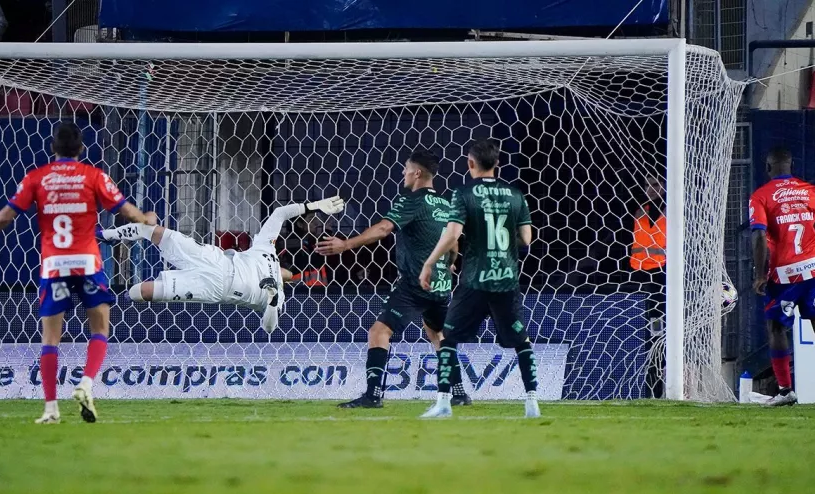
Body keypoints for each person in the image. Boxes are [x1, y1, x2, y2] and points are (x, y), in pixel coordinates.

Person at [0, 122, 153, 424]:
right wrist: (147, 219)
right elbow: (126, 211)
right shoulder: (93, 176)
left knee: (50, 338)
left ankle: (51, 409)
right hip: (88, 264)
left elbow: (6, 215)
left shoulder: (37, 178)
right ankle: (87, 383)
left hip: (54, 266)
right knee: (100, 329)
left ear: (53, 149)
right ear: (81, 149)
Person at [316, 149, 470, 408]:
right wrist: (451, 264)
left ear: (417, 173)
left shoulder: (411, 200)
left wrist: (346, 244)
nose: (403, 172)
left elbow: (384, 228)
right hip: (442, 284)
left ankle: (373, 396)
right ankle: (458, 393)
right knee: (437, 334)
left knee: (379, 332)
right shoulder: (446, 204)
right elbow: (453, 241)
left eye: (405, 168)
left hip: (415, 284)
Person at [418, 139, 539, 418]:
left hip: (474, 279)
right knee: (522, 342)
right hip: (507, 279)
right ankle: (532, 401)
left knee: (448, 339)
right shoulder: (515, 194)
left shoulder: (463, 193)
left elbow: (451, 235)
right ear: (497, 164)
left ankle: (444, 403)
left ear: (470, 163)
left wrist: (429, 263)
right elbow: (526, 238)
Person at [100, 196, 345, 334]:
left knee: (139, 291)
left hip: (215, 285)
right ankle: (106, 236)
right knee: (155, 232)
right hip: (216, 261)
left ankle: (106, 247)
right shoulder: (266, 250)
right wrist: (313, 207)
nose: (287, 275)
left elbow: (270, 327)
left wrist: (271, 300)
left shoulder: (276, 289)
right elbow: (279, 214)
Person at [749, 147, 815, 407]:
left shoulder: (761, 196)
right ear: (792, 165)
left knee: (776, 327)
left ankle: (785, 390)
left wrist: (760, 275)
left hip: (784, 274)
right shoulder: (812, 191)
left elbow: (758, 236)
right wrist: (814, 255)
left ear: (768, 168)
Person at [629, 174, 667, 398]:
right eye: (647, 185)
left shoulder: (671, 212)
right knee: (646, 330)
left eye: (655, 184)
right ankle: (648, 383)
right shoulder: (639, 211)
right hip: (638, 278)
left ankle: (658, 383)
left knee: (657, 330)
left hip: (661, 278)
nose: (651, 189)